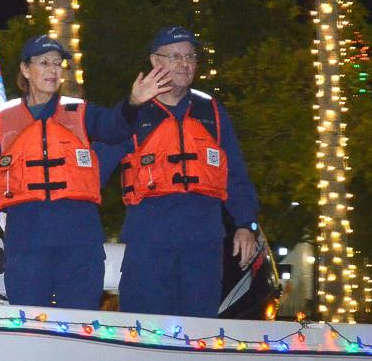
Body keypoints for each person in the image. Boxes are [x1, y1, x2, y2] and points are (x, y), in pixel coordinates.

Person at [0, 35, 171, 309]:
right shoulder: (3, 117)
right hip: (27, 236)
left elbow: (114, 128)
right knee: (28, 319)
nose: (52, 70)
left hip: (78, 235)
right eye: (44, 63)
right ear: (26, 70)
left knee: (80, 320)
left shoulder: (81, 112)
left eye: (57, 64)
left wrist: (133, 103)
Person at [99, 26, 260, 318]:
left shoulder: (211, 111)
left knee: (200, 329)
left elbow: (235, 174)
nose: (184, 64)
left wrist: (245, 224)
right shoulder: (133, 113)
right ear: (154, 61)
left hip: (203, 241)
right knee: (145, 328)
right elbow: (93, 168)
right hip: (150, 238)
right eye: (174, 57)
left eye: (190, 57)